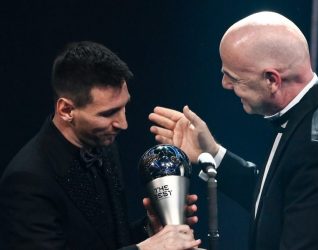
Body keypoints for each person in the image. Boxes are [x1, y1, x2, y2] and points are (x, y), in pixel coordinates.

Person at [148, 11, 318, 250]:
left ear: (272, 80)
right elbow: (279, 198)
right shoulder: (314, 114)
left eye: (233, 77)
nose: (225, 84)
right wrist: (211, 153)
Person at [0, 41, 201, 250]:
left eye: (124, 107)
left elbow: (107, 242)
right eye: (107, 113)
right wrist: (145, 249)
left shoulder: (104, 147)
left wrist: (151, 229)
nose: (123, 124)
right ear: (66, 110)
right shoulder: (27, 180)